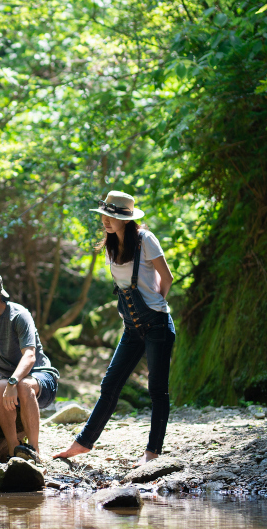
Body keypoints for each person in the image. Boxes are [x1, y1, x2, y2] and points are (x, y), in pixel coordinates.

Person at [54, 190, 175, 466]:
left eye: (111, 216)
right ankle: (82, 443)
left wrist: (157, 304)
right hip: (131, 328)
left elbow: (166, 278)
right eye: (104, 216)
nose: (106, 221)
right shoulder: (110, 245)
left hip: (157, 324)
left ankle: (152, 454)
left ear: (126, 219)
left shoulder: (146, 240)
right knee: (109, 385)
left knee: (157, 390)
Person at [0, 269, 59, 462]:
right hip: (8, 385)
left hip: (41, 379)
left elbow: (30, 356)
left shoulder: (19, 314)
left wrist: (13, 382)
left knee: (21, 385)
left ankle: (34, 450)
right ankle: (14, 449)